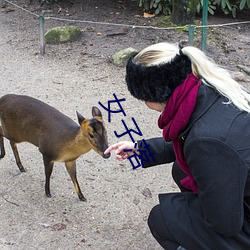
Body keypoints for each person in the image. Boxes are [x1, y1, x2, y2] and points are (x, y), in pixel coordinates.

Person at [104, 42, 250, 250]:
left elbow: (225, 224)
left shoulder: (207, 142)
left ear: (155, 93)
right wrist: (139, 148)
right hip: (240, 186)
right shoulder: (208, 88)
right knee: (181, 169)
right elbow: (188, 139)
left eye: (143, 97)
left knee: (162, 218)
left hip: (241, 222)